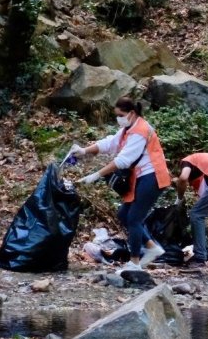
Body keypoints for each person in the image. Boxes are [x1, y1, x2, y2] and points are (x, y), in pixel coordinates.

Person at [72, 97, 171, 270]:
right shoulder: (128, 128)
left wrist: (96, 175)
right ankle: (152, 248)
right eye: (117, 115)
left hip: (153, 176)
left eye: (121, 115)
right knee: (124, 215)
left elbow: (123, 160)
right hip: (141, 177)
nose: (118, 118)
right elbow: (110, 143)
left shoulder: (140, 131)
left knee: (133, 218)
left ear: (132, 113)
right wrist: (84, 150)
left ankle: (134, 263)